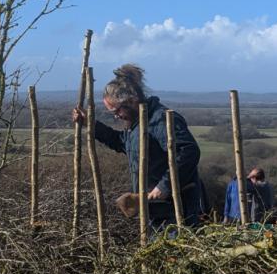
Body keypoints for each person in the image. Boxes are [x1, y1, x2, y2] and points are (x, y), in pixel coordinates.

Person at [72, 64, 204, 229]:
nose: (117, 116)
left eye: (117, 111)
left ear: (131, 101)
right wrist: (91, 125)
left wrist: (165, 185)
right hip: (156, 210)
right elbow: (122, 143)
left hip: (176, 209)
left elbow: (188, 151)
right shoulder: (137, 125)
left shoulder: (159, 120)